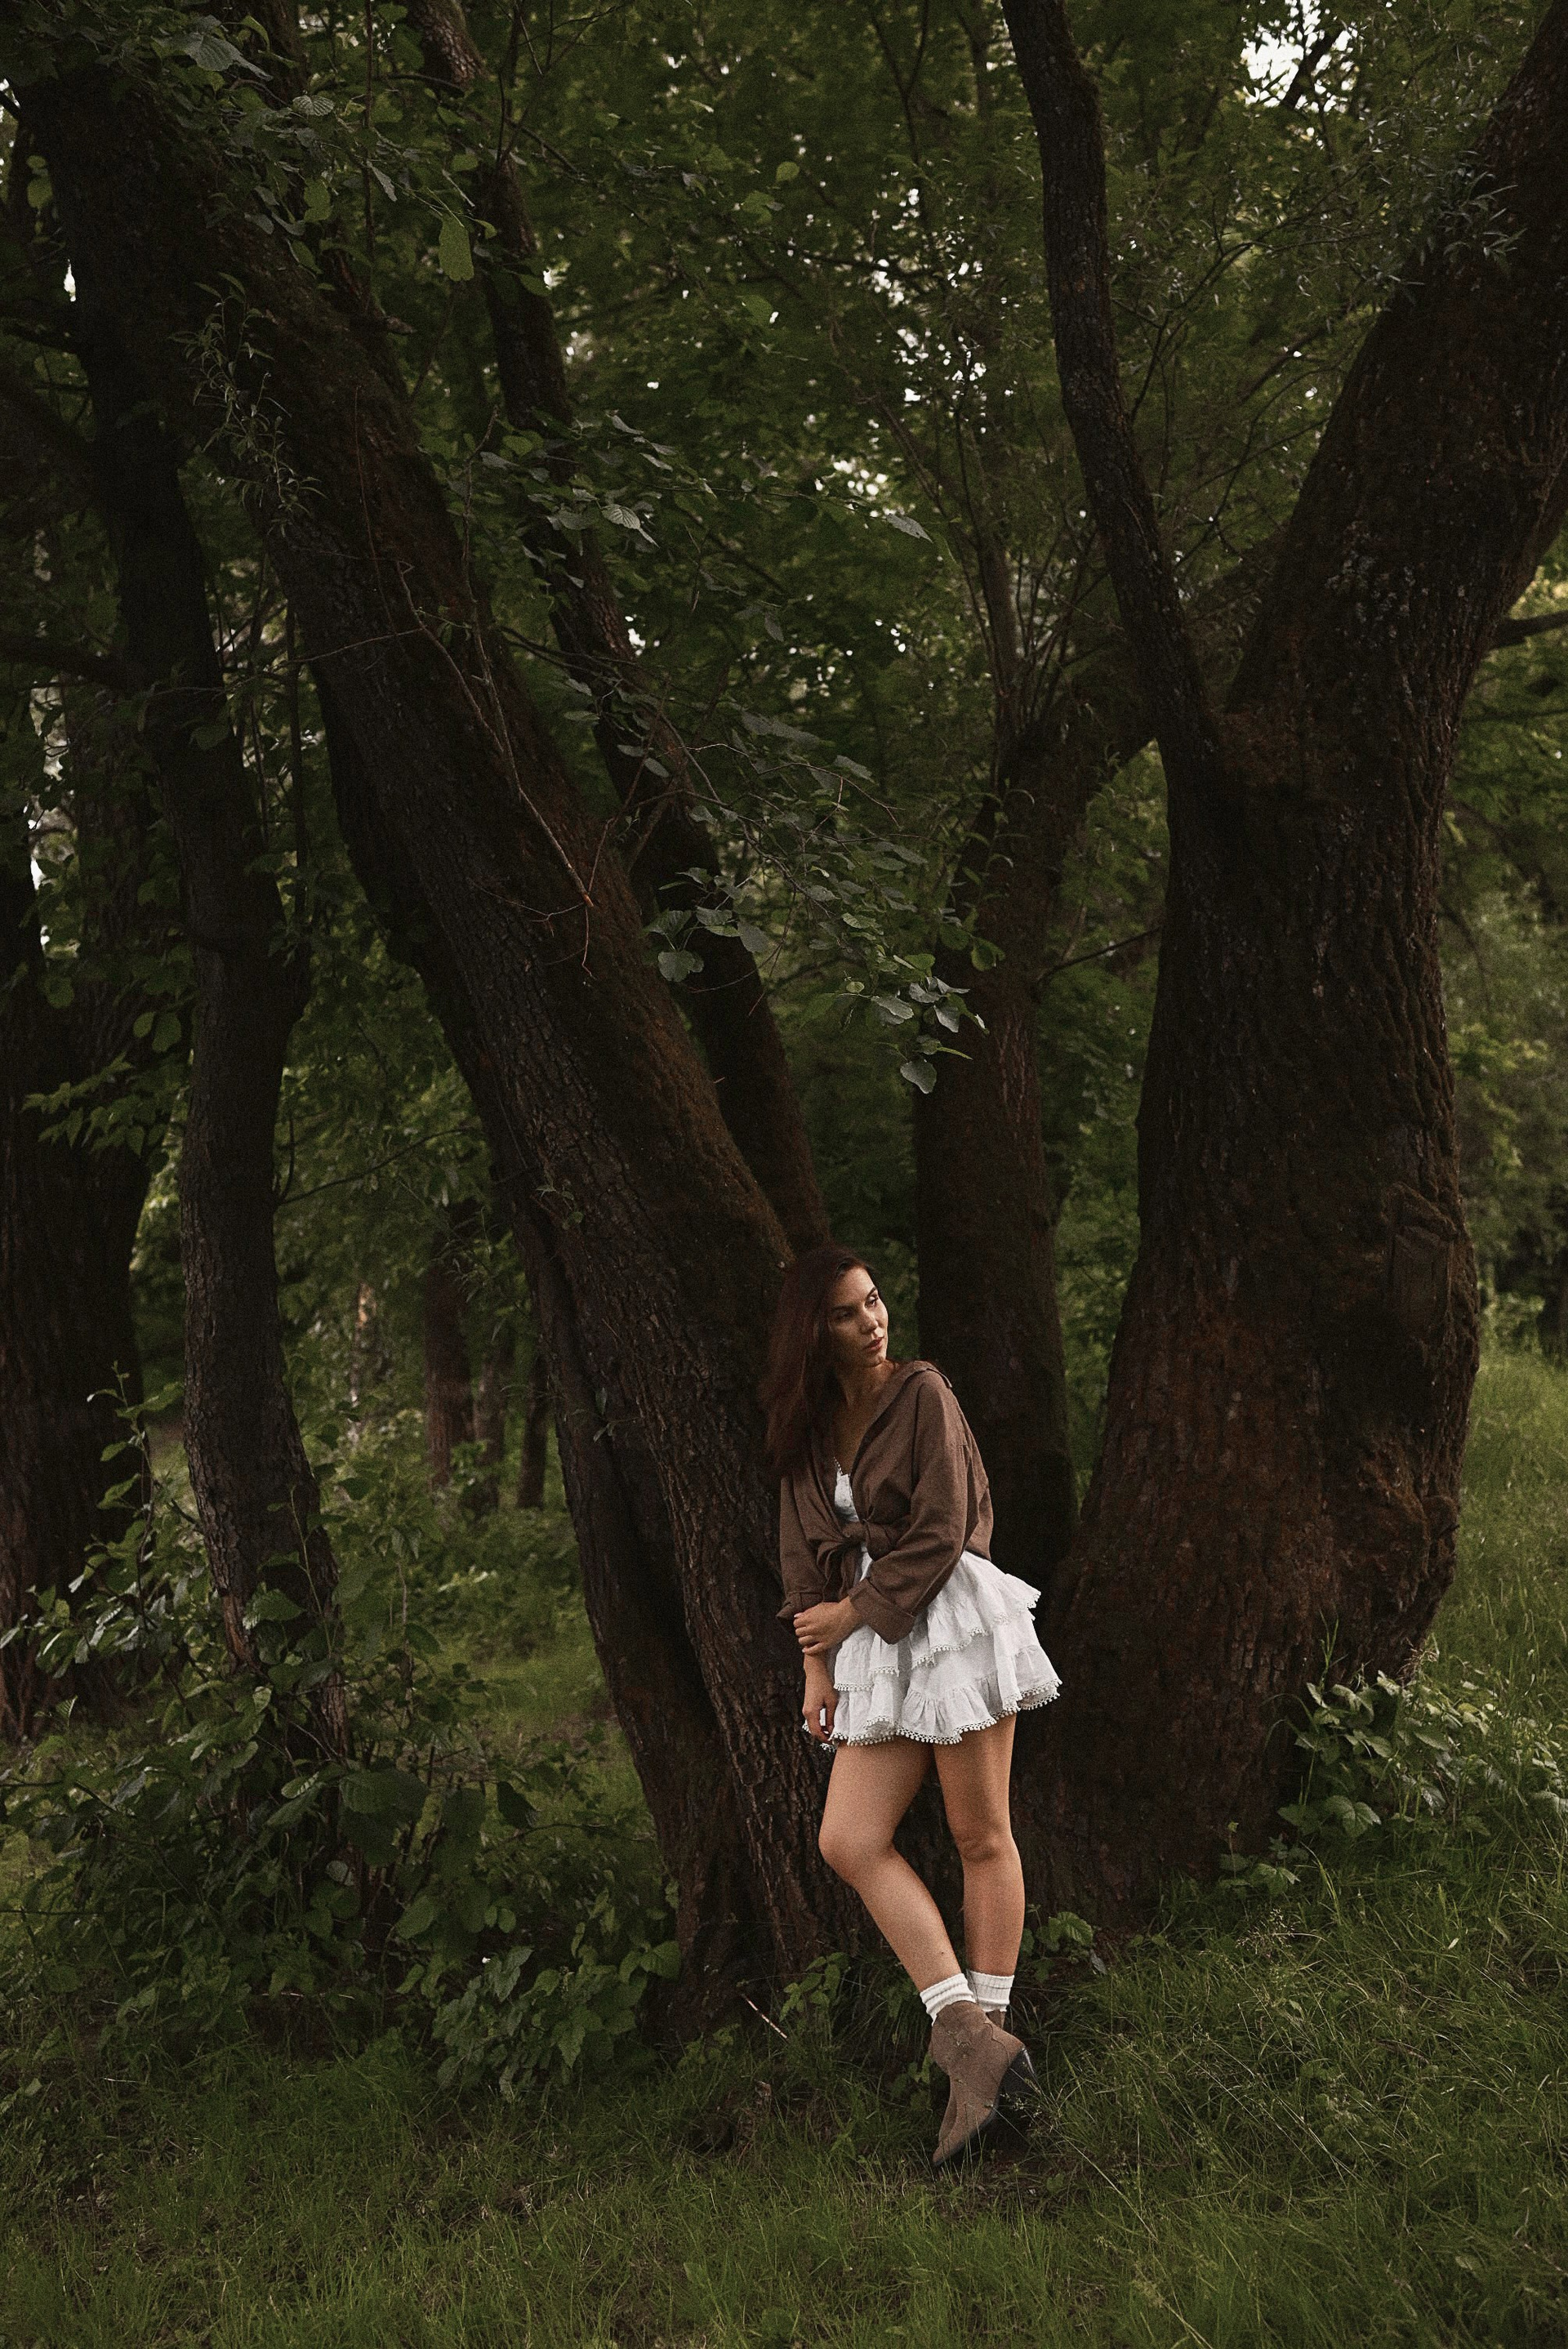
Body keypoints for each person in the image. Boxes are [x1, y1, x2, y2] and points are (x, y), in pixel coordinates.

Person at [762, 1241, 1061, 2167]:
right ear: (814, 1333)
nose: (873, 1321)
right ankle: (973, 2043)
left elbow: (944, 1523)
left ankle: (981, 2067)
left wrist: (851, 1613)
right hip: (871, 1642)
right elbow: (804, 1561)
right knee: (848, 1838)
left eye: (876, 1300)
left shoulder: (923, 1391)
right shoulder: (808, 1434)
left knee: (981, 1833)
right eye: (847, 1312)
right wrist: (818, 1665)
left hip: (949, 1617)